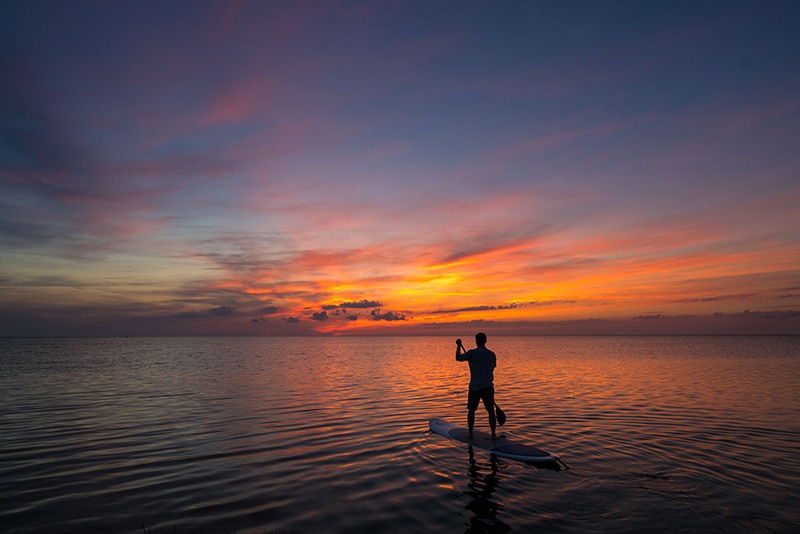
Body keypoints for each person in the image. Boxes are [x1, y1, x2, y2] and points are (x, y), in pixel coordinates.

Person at [456, 332, 497, 440]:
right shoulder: (491, 354)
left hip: (475, 387)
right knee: (491, 411)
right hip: (488, 386)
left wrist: (458, 346)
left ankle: (470, 434)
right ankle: (493, 435)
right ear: (486, 341)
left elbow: (458, 358)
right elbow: (492, 368)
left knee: (471, 410)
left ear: (476, 341)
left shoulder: (471, 353)